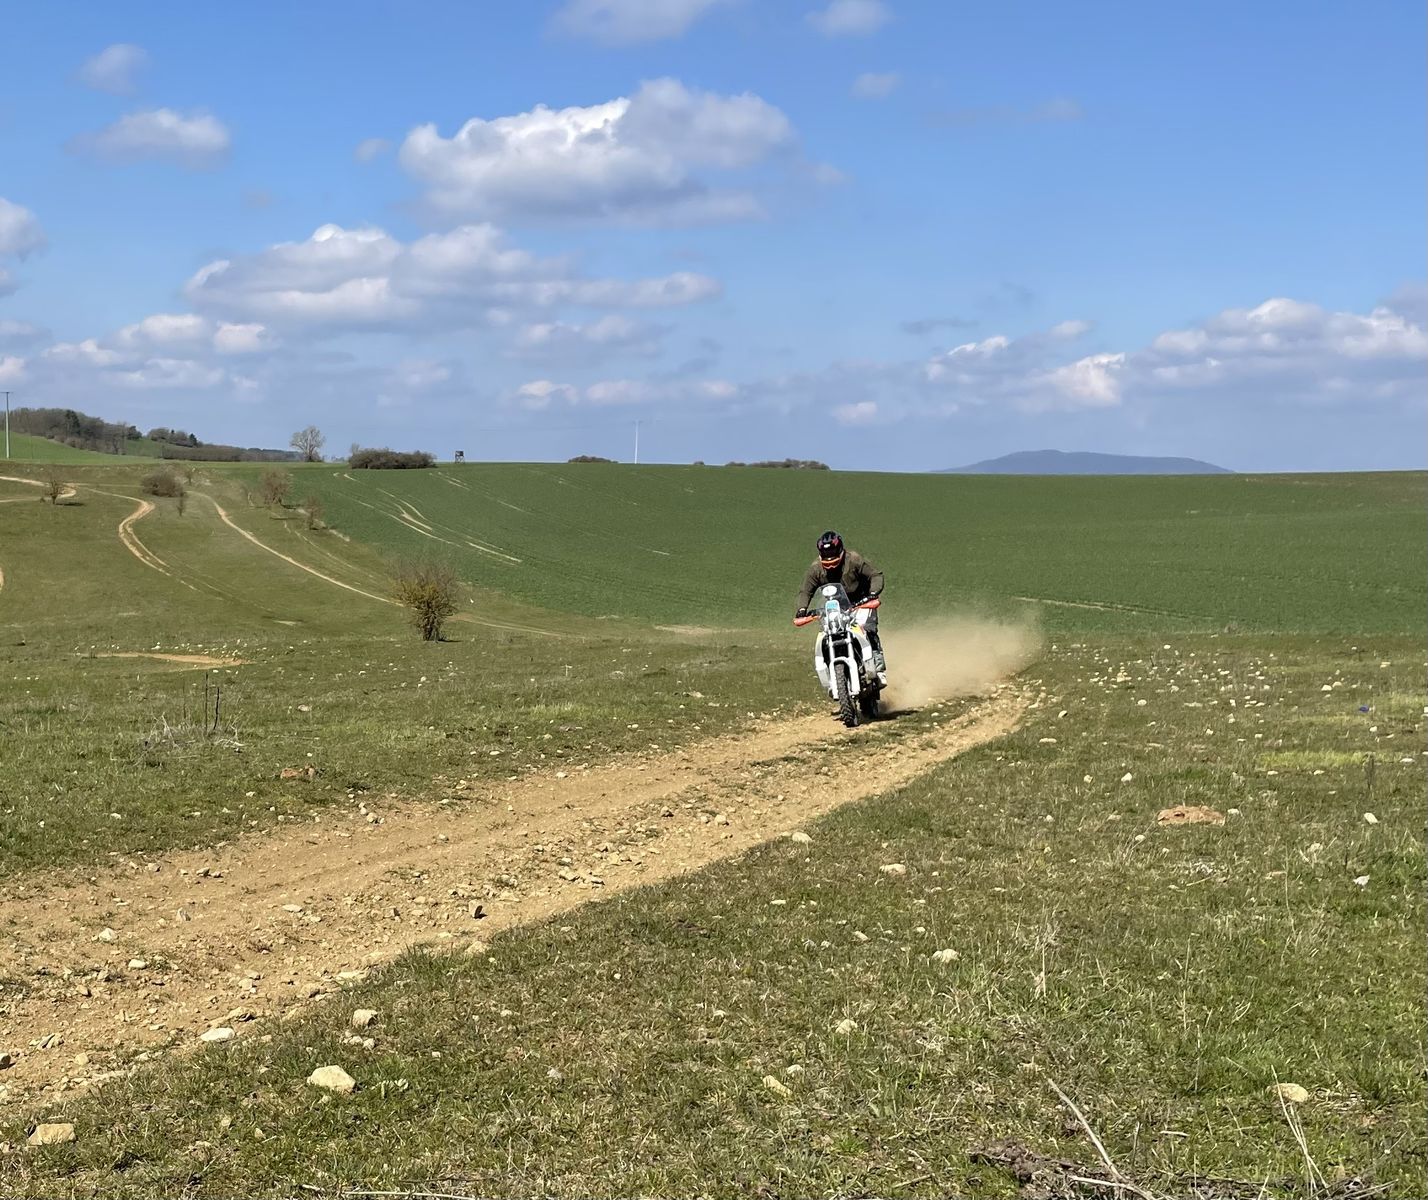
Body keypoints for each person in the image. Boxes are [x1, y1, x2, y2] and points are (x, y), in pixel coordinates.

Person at [795, 530, 887, 676]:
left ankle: (878, 666)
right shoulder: (815, 569)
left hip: (861, 602)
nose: (830, 558)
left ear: (840, 549)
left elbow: (875, 575)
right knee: (828, 633)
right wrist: (801, 609)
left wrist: (873, 593)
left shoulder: (854, 560)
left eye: (832, 552)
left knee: (868, 628)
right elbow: (806, 591)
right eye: (826, 553)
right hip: (836, 607)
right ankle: (830, 666)